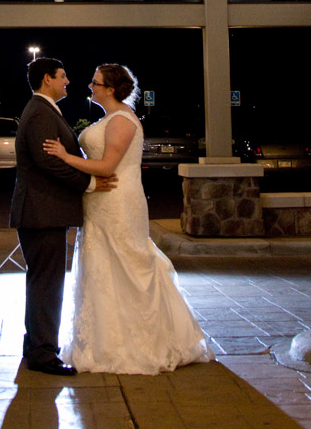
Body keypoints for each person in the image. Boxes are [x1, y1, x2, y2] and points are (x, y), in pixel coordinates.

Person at [42, 63, 212, 375]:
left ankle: (139, 344)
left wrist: (66, 157)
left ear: (110, 89)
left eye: (95, 82)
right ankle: (102, 342)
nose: (90, 86)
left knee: (126, 265)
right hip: (100, 204)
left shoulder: (122, 120)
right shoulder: (108, 118)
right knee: (102, 269)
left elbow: (107, 166)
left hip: (118, 202)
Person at [9, 56, 116, 376]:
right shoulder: (40, 112)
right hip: (42, 212)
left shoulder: (43, 109)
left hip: (42, 212)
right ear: (46, 79)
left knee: (42, 281)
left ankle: (36, 345)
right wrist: (91, 183)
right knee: (48, 283)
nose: (67, 81)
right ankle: (43, 354)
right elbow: (49, 163)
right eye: (62, 76)